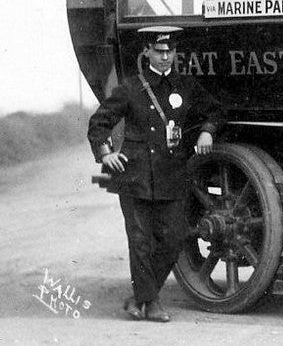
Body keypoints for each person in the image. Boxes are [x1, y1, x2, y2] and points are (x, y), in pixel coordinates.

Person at [87, 27, 225, 323]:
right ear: (147, 52)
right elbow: (99, 122)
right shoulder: (131, 87)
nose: (165, 58)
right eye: (159, 52)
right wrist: (106, 153)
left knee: (174, 239)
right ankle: (152, 303)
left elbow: (215, 110)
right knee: (140, 242)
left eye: (170, 52)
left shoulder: (185, 86)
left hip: (172, 175)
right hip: (135, 177)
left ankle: (139, 299)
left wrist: (206, 132)